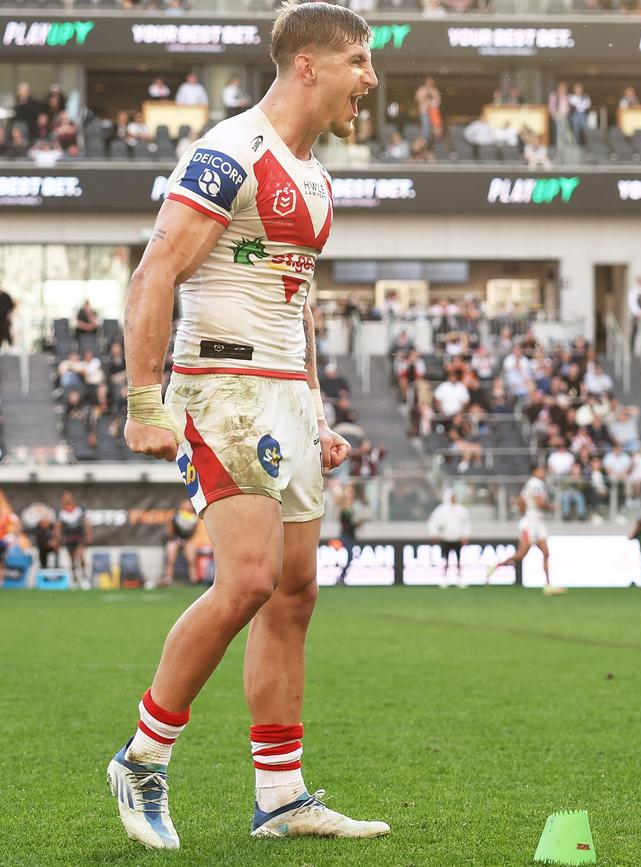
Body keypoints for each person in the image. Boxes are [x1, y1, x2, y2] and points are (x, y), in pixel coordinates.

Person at [107, 1, 388, 850]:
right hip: (220, 386)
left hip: (283, 396)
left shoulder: (313, 175)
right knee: (250, 580)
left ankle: (281, 795)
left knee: (295, 593)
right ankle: (143, 756)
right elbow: (156, 272)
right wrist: (143, 402)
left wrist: (317, 407)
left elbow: (292, 303)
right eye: (358, 62)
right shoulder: (231, 151)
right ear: (307, 66)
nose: (370, 80)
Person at [487, 466, 565, 594]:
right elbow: (539, 503)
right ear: (534, 471)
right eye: (540, 470)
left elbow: (520, 501)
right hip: (531, 523)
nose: (543, 473)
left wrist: (526, 512)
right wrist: (551, 506)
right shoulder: (536, 484)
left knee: (545, 552)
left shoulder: (529, 484)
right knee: (520, 555)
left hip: (535, 521)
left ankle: (548, 584)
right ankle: (495, 566)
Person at [427, 490, 471, 587]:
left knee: (459, 560)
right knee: (445, 560)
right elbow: (433, 522)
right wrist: (434, 534)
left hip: (457, 538)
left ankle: (459, 579)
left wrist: (465, 535)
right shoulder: (441, 510)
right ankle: (444, 579)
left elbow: (466, 523)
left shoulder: (461, 509)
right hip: (445, 538)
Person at [55, 490, 92, 588]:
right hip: (68, 538)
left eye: (69, 497)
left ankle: (84, 578)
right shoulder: (60, 512)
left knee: (80, 556)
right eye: (65, 498)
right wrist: (57, 538)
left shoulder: (80, 510)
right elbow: (58, 526)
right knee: (71, 559)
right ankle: (74, 579)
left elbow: (86, 523)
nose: (67, 499)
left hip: (79, 537)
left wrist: (89, 534)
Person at [161, 499, 200, 585]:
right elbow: (170, 530)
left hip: (187, 540)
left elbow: (193, 532)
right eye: (186, 505)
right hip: (175, 539)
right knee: (171, 558)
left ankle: (193, 578)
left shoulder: (194, 518)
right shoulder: (176, 515)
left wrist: (186, 541)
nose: (188, 506)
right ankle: (168, 578)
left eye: (189, 505)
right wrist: (175, 539)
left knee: (192, 558)